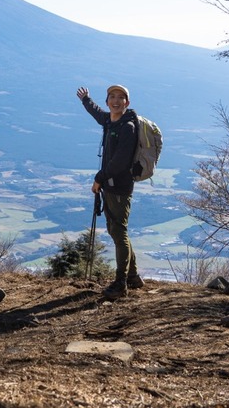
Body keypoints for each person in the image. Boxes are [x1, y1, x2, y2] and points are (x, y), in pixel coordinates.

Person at [76, 84, 145, 298]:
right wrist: (86, 100)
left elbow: (121, 162)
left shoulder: (128, 127)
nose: (116, 101)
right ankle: (132, 277)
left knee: (118, 232)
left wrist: (99, 178)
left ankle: (120, 283)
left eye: (121, 97)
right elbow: (97, 114)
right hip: (111, 184)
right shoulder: (110, 121)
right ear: (107, 102)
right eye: (112, 97)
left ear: (128, 102)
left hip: (120, 185)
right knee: (118, 230)